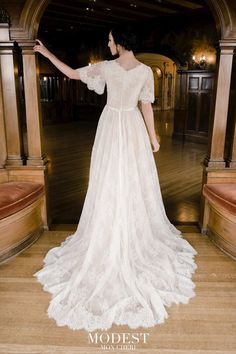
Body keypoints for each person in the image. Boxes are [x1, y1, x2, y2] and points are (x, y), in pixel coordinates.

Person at [33, 26, 198, 332]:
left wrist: (46, 54)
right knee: (131, 181)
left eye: (110, 39)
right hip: (131, 126)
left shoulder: (108, 68)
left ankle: (114, 229)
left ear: (120, 42)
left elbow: (70, 74)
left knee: (110, 179)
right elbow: (145, 107)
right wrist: (154, 138)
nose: (107, 43)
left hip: (112, 125)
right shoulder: (146, 71)